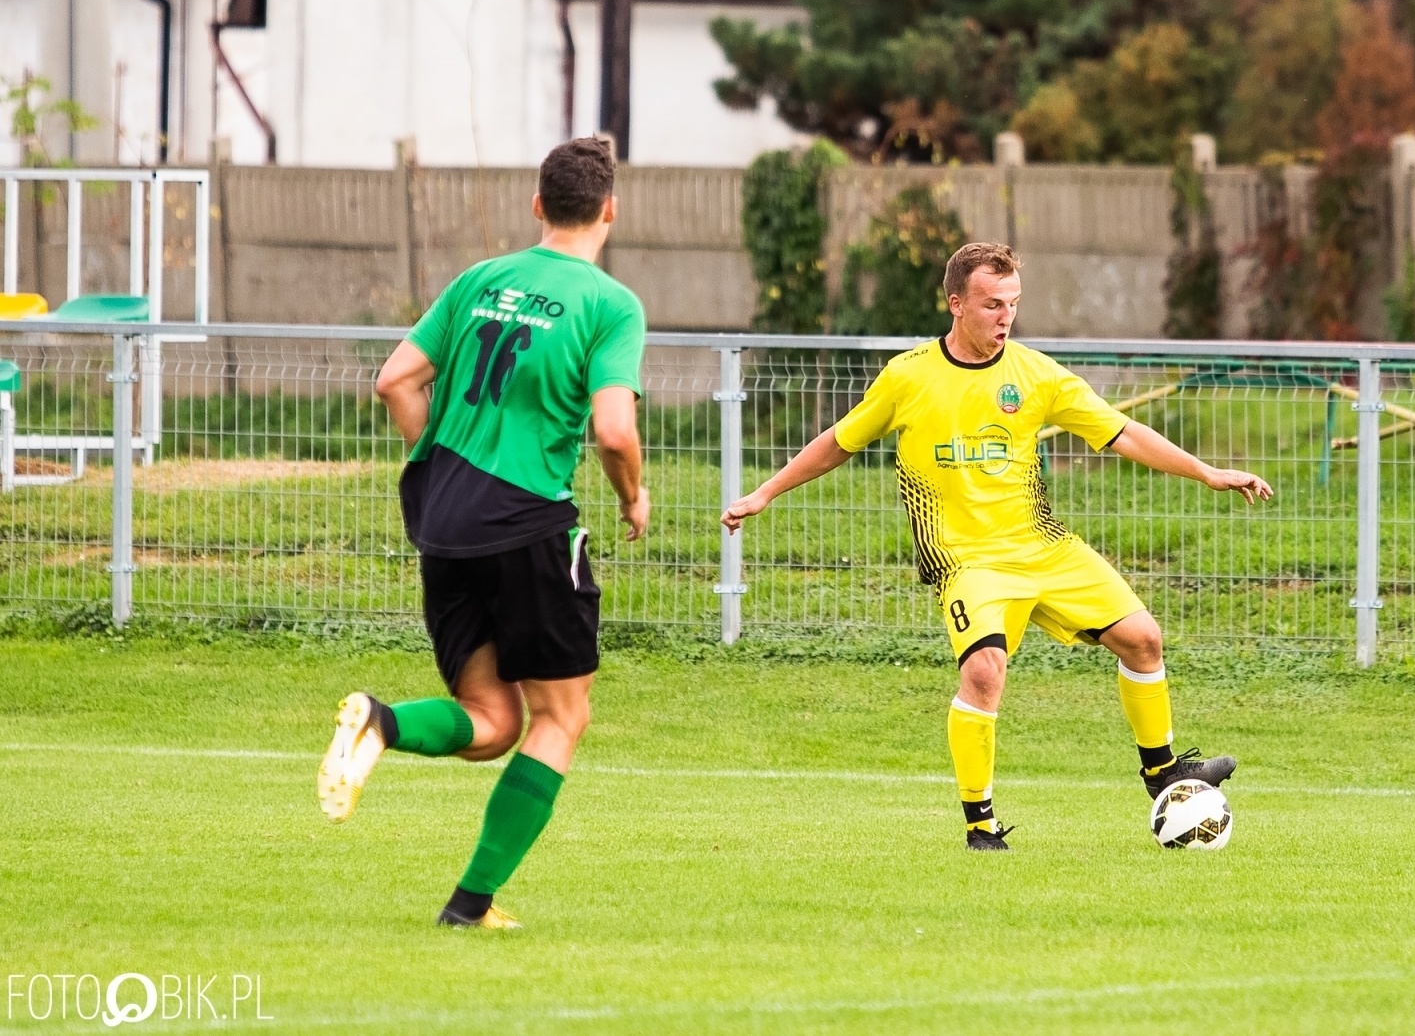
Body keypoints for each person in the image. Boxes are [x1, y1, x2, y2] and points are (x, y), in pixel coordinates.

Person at [721, 242, 1272, 851]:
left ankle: (1162, 771)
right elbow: (838, 441)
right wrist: (763, 494)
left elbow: (1122, 433)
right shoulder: (909, 376)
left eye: (1012, 304)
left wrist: (1208, 472)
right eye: (991, 304)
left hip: (1043, 546)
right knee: (984, 672)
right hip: (967, 559)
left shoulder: (1035, 375)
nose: (1005, 317)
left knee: (1143, 638)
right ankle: (981, 825)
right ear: (956, 304)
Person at [316, 136, 650, 925]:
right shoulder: (610, 304)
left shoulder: (480, 280)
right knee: (561, 718)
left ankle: (382, 721)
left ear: (537, 205)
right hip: (529, 522)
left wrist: (444, 457)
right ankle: (469, 906)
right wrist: (633, 497)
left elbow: (394, 379)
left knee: (494, 722)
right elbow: (613, 431)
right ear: (609, 210)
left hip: (444, 522)